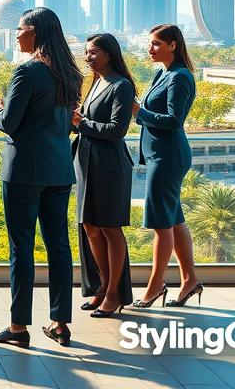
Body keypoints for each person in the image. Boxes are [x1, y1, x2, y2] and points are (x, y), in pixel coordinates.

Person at [0, 7, 81, 349]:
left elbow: (10, 123)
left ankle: (18, 326)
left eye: (21, 28)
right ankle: (60, 323)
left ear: (35, 32)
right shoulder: (70, 74)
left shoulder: (27, 72)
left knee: (21, 247)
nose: (17, 34)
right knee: (58, 246)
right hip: (58, 169)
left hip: (24, 171)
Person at [132, 23, 202, 309]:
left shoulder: (179, 78)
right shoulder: (163, 73)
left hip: (168, 157)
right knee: (174, 220)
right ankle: (189, 281)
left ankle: (154, 287)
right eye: (150, 44)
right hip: (160, 155)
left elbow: (174, 121)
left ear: (173, 44)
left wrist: (139, 111)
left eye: (156, 44)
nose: (150, 49)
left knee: (161, 225)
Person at [72, 33, 135, 318]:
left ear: (109, 54)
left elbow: (116, 130)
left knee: (110, 228)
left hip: (109, 166)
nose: (88, 57)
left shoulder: (121, 86)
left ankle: (114, 293)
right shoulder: (96, 82)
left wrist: (81, 123)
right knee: (90, 227)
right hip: (87, 163)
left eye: (94, 52)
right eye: (86, 52)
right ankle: (103, 285)